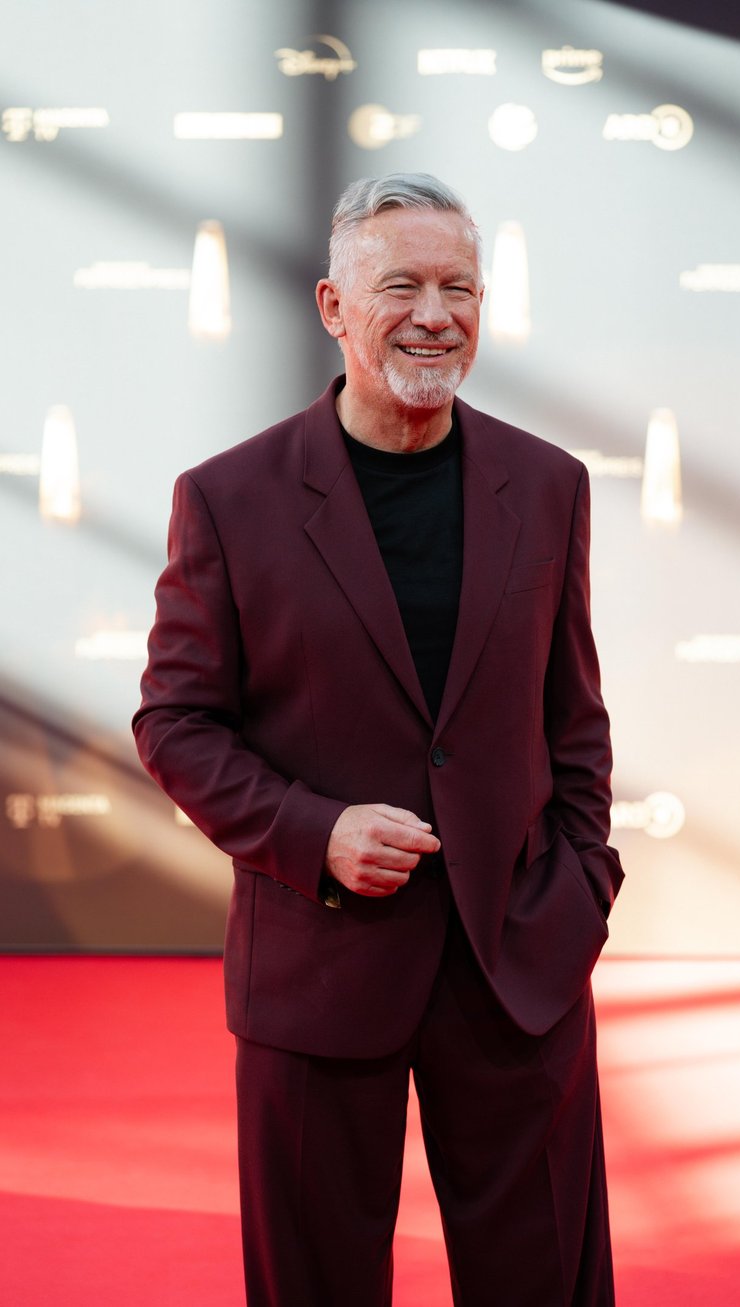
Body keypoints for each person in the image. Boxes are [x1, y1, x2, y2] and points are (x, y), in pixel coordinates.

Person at [133, 173, 624, 1306]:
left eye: (460, 288)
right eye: (401, 285)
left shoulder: (548, 485)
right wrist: (317, 832)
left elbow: (576, 719)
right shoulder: (230, 498)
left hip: (520, 962)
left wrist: (582, 889)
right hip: (318, 961)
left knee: (545, 1277)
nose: (434, 315)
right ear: (333, 306)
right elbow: (175, 721)